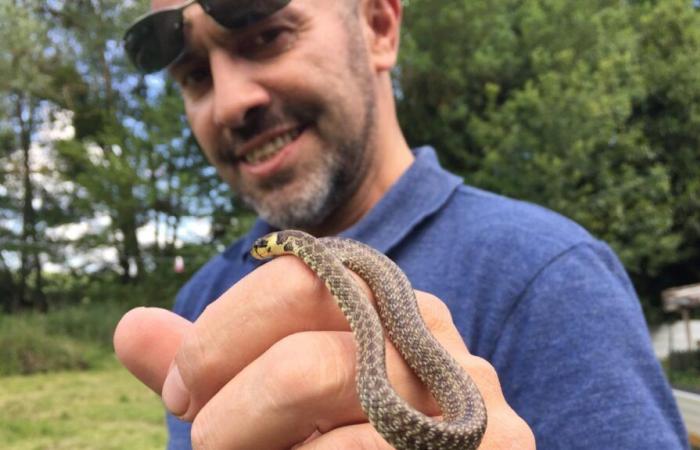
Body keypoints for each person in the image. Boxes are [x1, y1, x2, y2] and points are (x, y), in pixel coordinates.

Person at [113, 0, 689, 448]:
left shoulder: (554, 274)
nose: (232, 101)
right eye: (193, 76)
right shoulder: (198, 302)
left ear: (379, 26)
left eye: (267, 37)